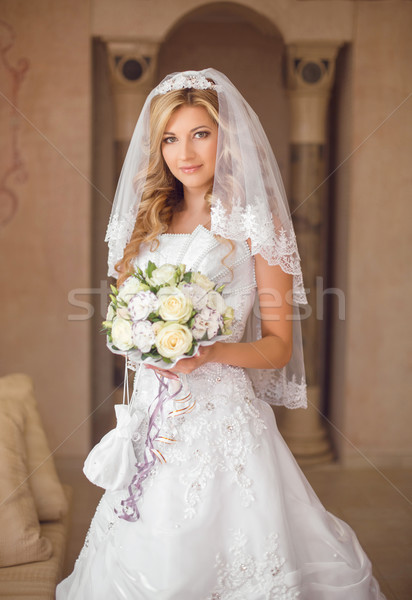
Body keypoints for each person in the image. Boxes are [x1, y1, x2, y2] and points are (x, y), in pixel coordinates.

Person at [56, 69, 386, 599]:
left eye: (200, 134)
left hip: (224, 424)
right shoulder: (145, 224)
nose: (184, 152)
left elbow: (278, 346)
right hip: (153, 422)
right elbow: (125, 322)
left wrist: (208, 352)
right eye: (170, 137)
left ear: (226, 137)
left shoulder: (257, 226)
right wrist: (139, 345)